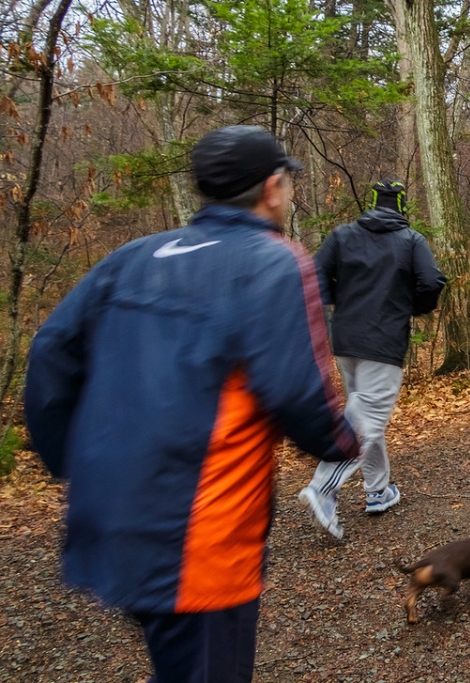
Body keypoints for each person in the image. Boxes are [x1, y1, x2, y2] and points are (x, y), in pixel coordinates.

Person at [23, 125, 363, 683]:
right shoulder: (271, 261)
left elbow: (51, 354)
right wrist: (342, 441)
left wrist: (70, 463)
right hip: (198, 534)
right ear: (272, 186)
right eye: (288, 184)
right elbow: (295, 390)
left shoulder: (132, 257)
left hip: (108, 516)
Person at [299, 179, 446, 536]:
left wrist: (341, 297)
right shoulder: (411, 240)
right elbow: (432, 282)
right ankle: (323, 486)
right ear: (401, 206)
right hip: (383, 342)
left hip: (347, 339)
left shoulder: (343, 235)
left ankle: (378, 491)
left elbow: (312, 274)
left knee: (362, 411)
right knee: (368, 419)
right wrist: (408, 307)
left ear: (372, 203)